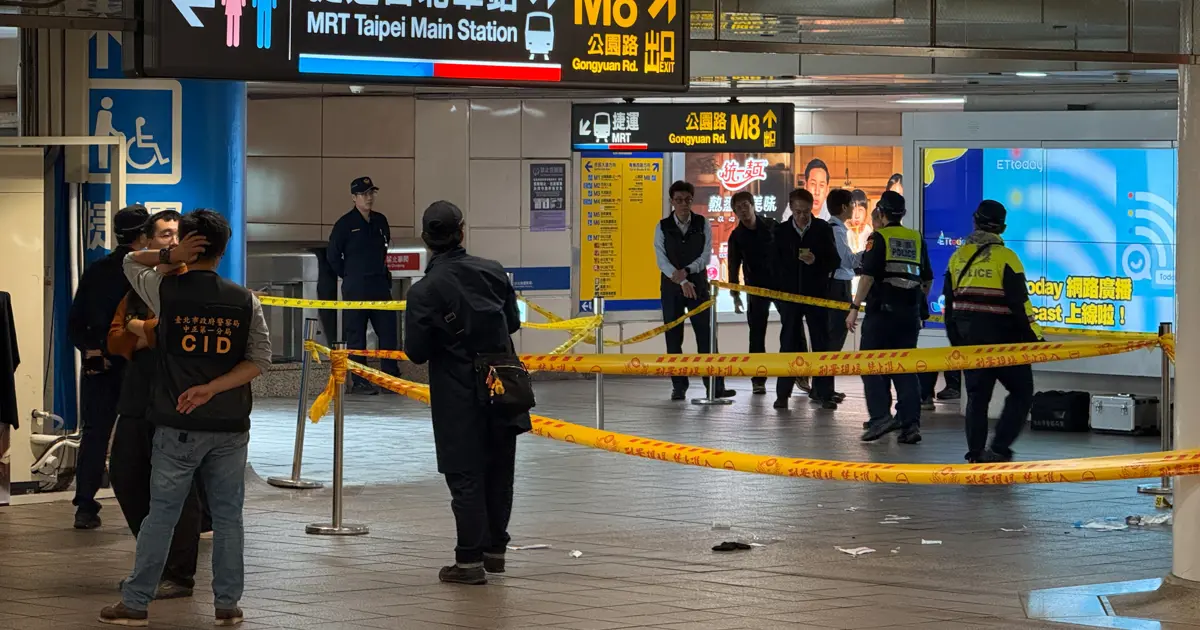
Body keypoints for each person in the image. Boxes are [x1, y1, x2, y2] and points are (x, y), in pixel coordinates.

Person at [100, 210, 271, 627]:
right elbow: (260, 360)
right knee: (228, 517)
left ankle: (136, 603)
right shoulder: (245, 300)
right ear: (223, 250)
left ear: (187, 245)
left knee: (161, 514)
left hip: (178, 423)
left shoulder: (165, 291)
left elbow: (129, 260)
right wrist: (213, 387)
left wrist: (169, 256)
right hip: (230, 425)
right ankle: (227, 604)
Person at [404, 201, 530, 585]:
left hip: (457, 394)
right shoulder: (493, 271)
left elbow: (416, 352)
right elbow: (512, 322)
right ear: (462, 232)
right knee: (500, 470)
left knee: (466, 474)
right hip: (502, 386)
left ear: (426, 240)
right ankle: (496, 552)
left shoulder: (423, 291)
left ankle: (469, 561)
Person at [106, 210, 202, 601]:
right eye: (164, 235)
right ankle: (153, 561)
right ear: (150, 240)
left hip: (177, 400)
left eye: (177, 235)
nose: (171, 242)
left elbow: (174, 336)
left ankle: (178, 574)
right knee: (125, 475)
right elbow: (114, 339)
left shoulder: (192, 286)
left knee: (178, 487)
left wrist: (141, 329)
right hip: (135, 399)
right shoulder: (137, 286)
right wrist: (146, 332)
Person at [68, 205, 150, 530]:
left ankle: (85, 506)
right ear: (143, 236)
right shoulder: (147, 273)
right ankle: (149, 506)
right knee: (147, 434)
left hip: (99, 366)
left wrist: (92, 354)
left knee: (95, 434)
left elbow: (75, 323)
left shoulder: (97, 271)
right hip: (139, 366)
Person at [944, 201, 1042, 464]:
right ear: (1002, 228)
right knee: (1022, 392)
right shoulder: (1007, 258)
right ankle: (999, 447)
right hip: (1005, 342)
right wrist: (1035, 337)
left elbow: (949, 305)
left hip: (970, 342)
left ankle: (976, 454)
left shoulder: (957, 257)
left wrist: (956, 341)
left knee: (977, 397)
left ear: (974, 222)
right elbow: (1020, 303)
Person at [846, 191, 932, 444]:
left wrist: (854, 307)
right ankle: (910, 423)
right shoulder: (916, 238)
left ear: (881, 213)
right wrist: (915, 302)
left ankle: (880, 417)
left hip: (882, 314)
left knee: (870, 364)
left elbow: (868, 277)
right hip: (909, 316)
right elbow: (927, 279)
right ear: (902, 214)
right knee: (905, 368)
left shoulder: (879, 237)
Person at [655, 181, 734, 401]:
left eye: (687, 200)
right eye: (678, 200)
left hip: (698, 285)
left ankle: (715, 386)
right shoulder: (662, 226)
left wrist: (688, 272)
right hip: (672, 288)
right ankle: (679, 386)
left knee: (706, 336)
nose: (683, 204)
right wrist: (682, 281)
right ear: (672, 201)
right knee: (673, 338)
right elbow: (662, 260)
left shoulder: (702, 223)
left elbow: (706, 255)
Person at [328, 176, 399, 395]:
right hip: (356, 287)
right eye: (363, 194)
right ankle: (360, 380)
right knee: (356, 334)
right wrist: (349, 275)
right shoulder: (345, 225)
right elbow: (333, 256)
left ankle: (390, 377)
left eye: (371, 193)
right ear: (354, 197)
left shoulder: (380, 221)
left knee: (388, 331)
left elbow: (384, 249)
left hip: (379, 284)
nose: (369, 198)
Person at [771, 189, 839, 410]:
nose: (802, 216)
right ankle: (783, 394)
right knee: (788, 343)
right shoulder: (781, 231)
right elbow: (773, 264)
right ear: (791, 209)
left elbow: (835, 261)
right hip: (789, 296)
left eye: (806, 212)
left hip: (817, 295)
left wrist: (816, 261)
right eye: (798, 212)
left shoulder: (822, 229)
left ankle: (825, 393)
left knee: (821, 343)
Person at [727, 190, 777, 396]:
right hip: (755, 288)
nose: (743, 210)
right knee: (756, 334)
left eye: (745, 205)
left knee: (793, 329)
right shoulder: (736, 236)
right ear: (735, 212)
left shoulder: (772, 225)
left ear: (753, 205)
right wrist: (735, 295)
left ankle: (799, 375)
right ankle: (758, 380)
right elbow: (733, 266)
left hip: (781, 285)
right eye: (738, 208)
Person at [818, 189, 860, 404]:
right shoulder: (836, 230)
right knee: (834, 337)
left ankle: (824, 388)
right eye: (852, 204)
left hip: (836, 285)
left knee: (832, 337)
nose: (854, 208)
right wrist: (870, 253)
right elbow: (847, 261)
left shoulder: (834, 228)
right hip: (837, 287)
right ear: (844, 207)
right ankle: (823, 390)